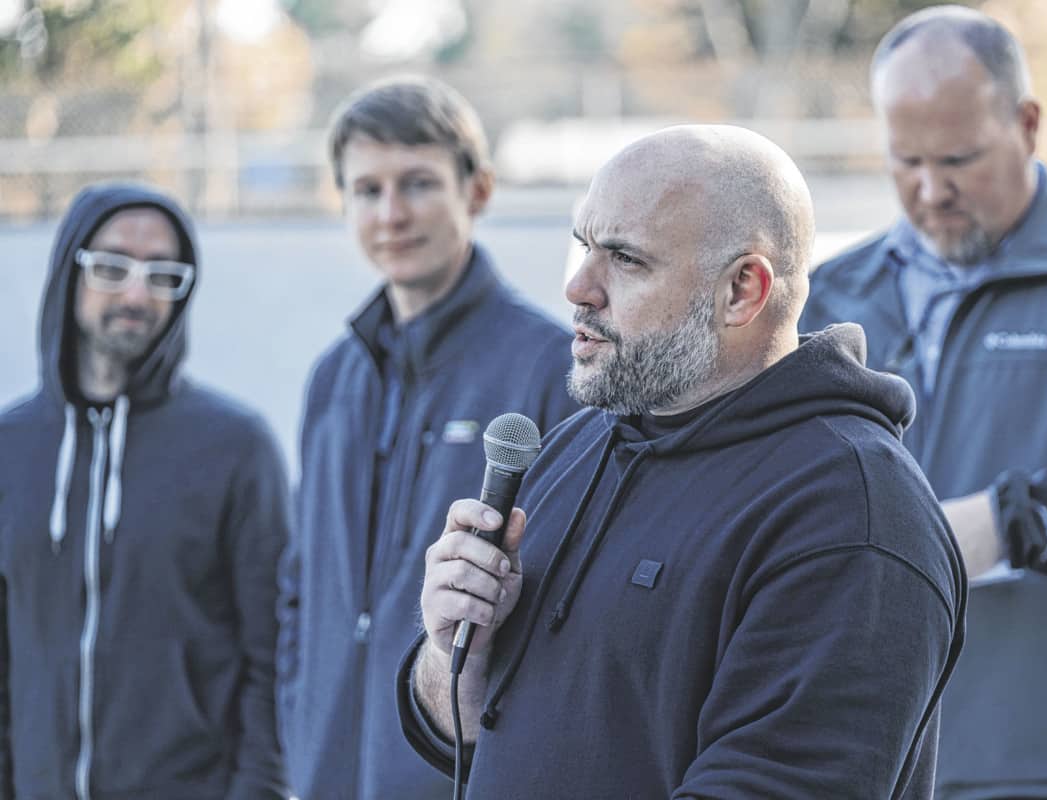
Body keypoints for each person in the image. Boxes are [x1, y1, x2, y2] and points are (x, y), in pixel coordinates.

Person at [397, 124, 967, 798]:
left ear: (742, 290)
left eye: (626, 259)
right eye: (583, 246)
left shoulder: (852, 515)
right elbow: (468, 740)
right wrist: (457, 651)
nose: (579, 287)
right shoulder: (578, 448)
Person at [799, 7, 1047, 799]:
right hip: (883, 755)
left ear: (1028, 124)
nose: (930, 190)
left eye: (958, 159)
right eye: (906, 160)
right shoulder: (834, 296)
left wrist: (1014, 522)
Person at [276, 75, 577, 799]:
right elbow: (301, 588)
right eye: (367, 190)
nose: (392, 213)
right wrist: (298, 730)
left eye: (417, 183)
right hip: (325, 776)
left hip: (459, 778)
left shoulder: (551, 370)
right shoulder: (332, 378)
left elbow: (566, 615)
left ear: (478, 190)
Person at [0, 183, 290, 799]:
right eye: (112, 267)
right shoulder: (10, 446)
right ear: (70, 269)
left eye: (162, 274)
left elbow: (275, 659)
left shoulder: (236, 447)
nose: (137, 293)